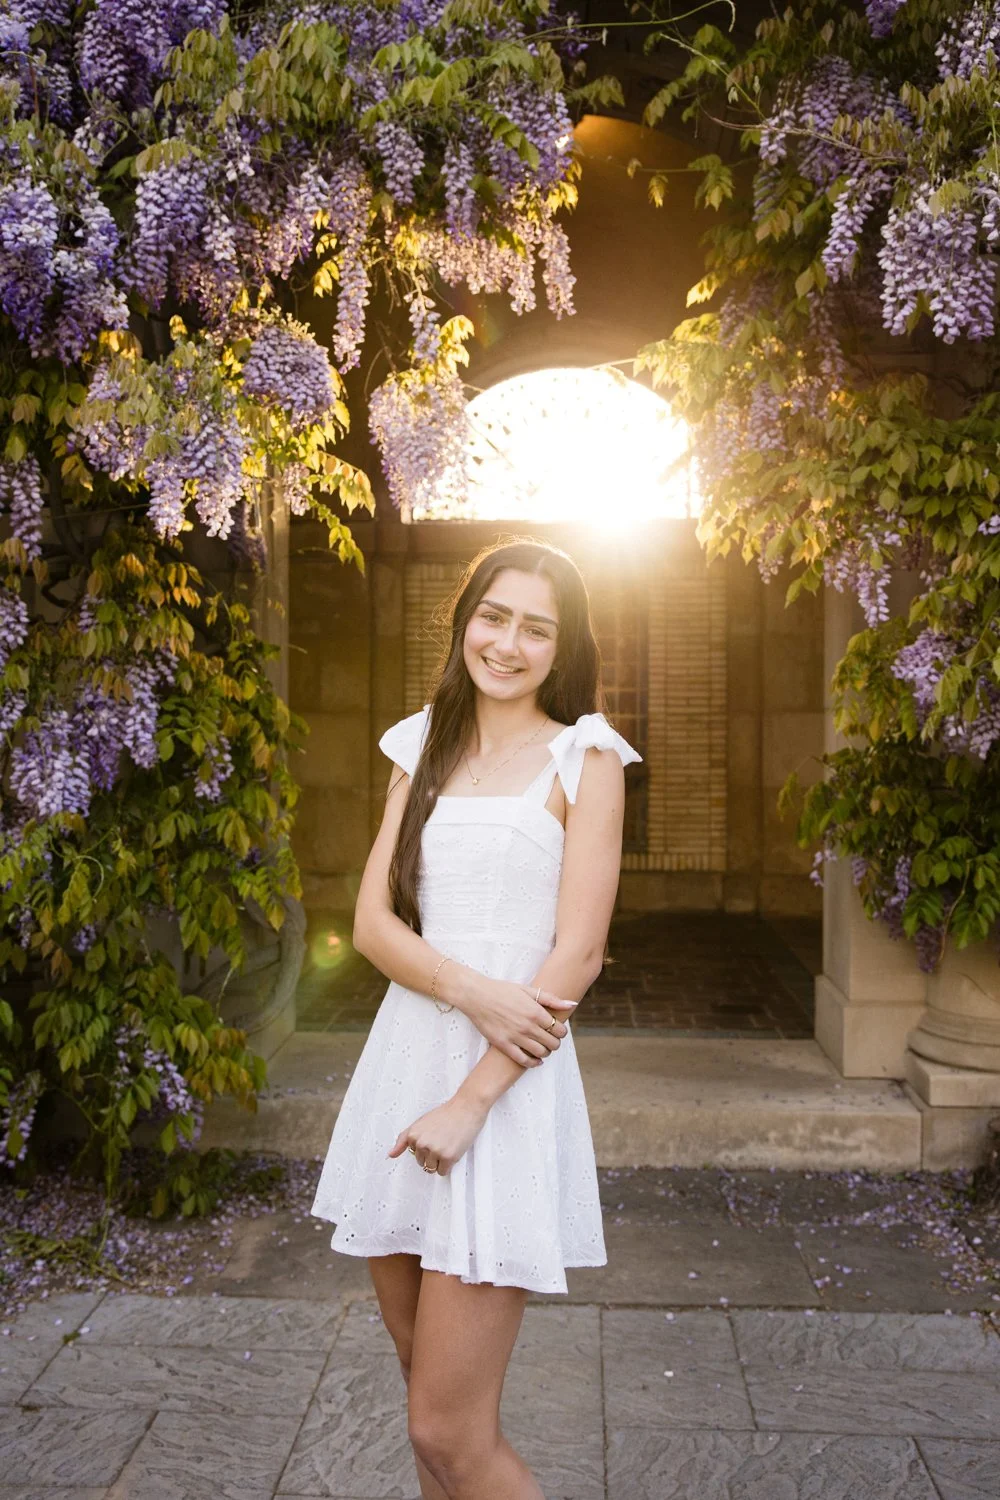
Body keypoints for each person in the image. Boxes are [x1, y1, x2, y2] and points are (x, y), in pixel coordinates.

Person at [310, 537, 641, 1500]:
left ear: (562, 648)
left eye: (537, 628)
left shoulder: (588, 756)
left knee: (449, 1431)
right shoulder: (420, 745)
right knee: (429, 1411)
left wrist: (471, 1099)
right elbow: (371, 924)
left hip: (499, 1092)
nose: (508, 643)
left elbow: (575, 954)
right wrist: (470, 990)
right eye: (494, 617)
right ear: (464, 622)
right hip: (403, 1065)